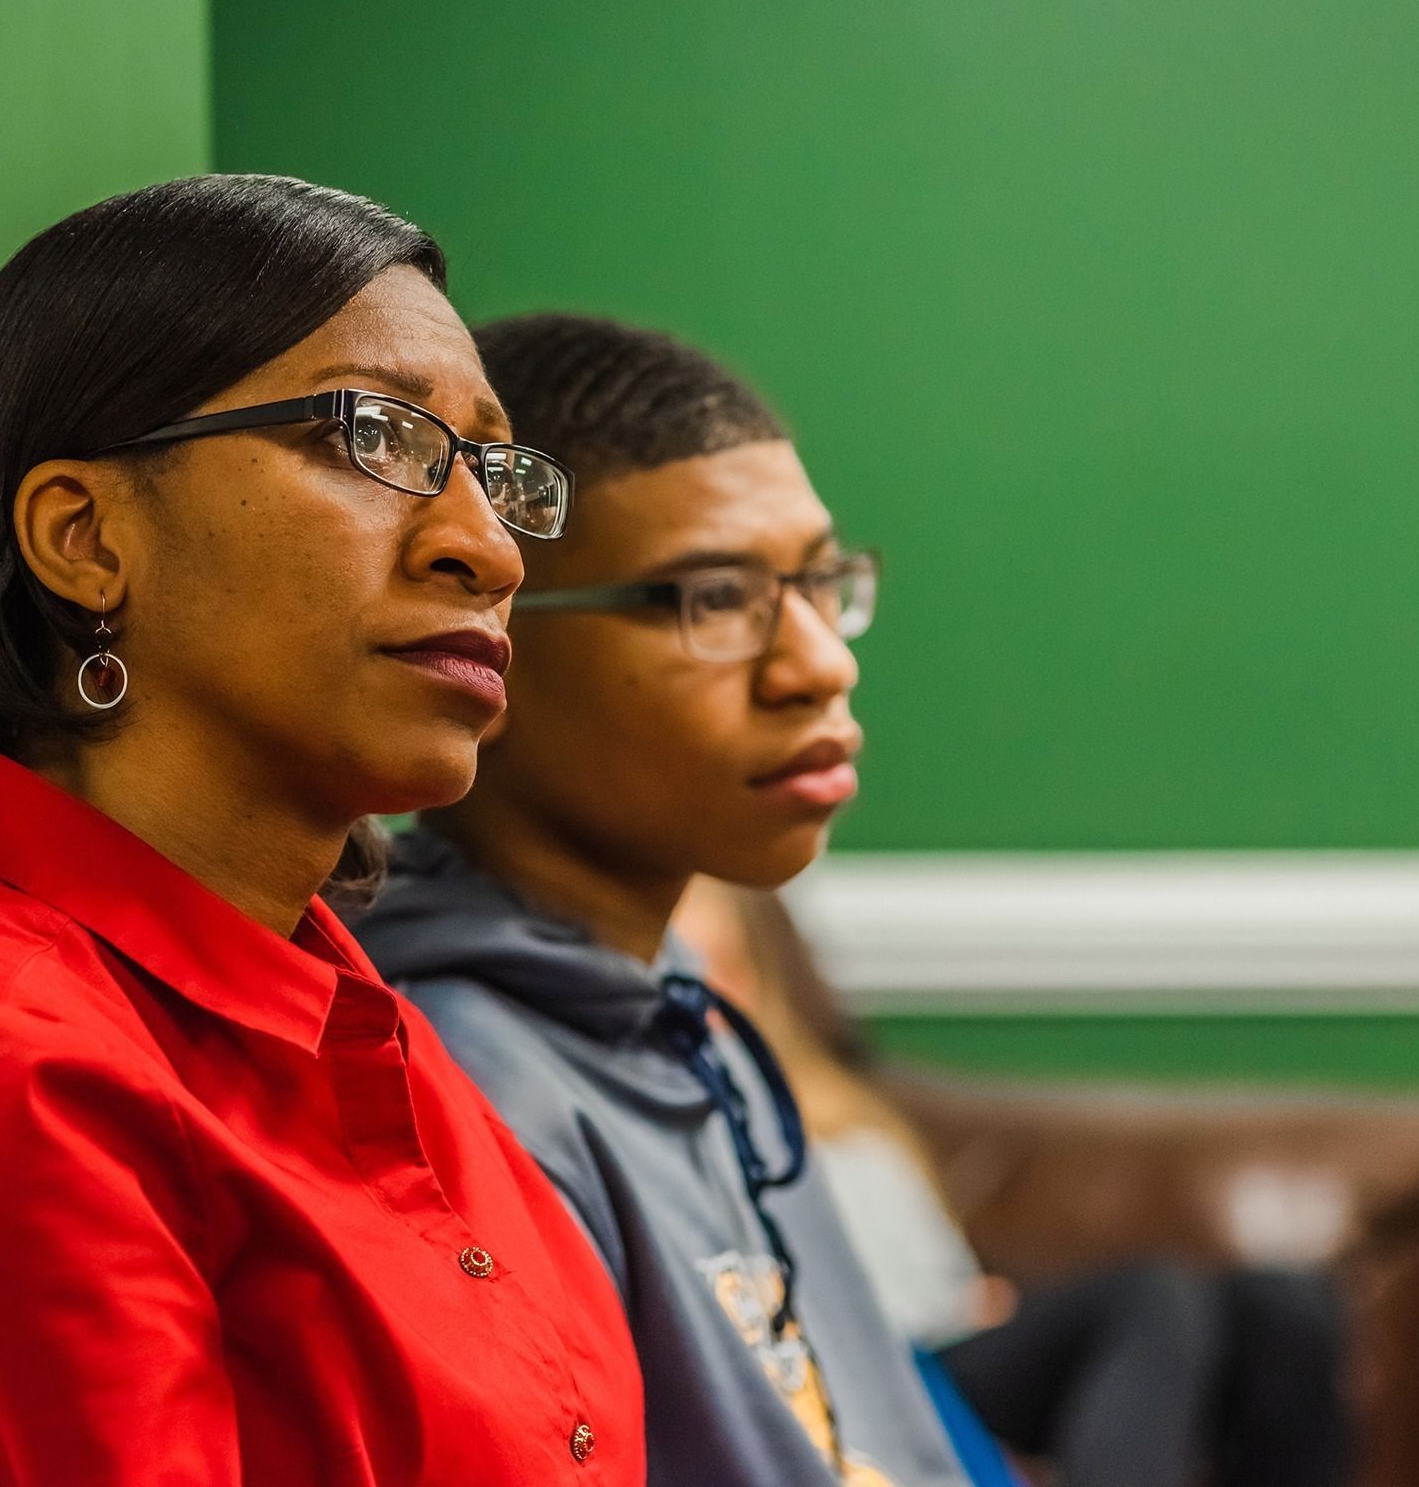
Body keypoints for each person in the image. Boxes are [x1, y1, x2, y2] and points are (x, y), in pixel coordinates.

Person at [0, 177, 642, 1484]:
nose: (488, 550)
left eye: (493, 473)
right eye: (376, 436)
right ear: (84, 538)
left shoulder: (358, 1020)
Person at [351, 314, 970, 1487]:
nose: (819, 664)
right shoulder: (461, 1086)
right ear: (487, 640)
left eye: (821, 584)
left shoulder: (691, 1020)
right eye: (714, 597)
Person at [676, 877, 1354, 1487]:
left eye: (723, 970)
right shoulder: (680, 1121)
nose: (709, 999)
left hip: (964, 1323)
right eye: (682, 972)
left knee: (1284, 1304)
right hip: (890, 1363)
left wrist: (981, 1296)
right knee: (1152, 1297)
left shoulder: (843, 1105)